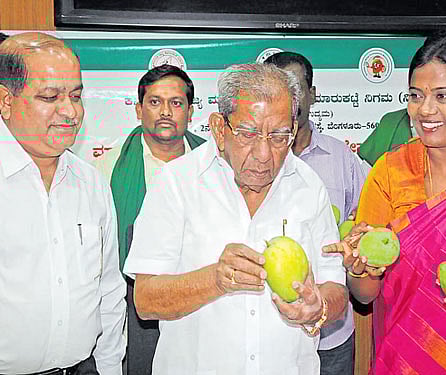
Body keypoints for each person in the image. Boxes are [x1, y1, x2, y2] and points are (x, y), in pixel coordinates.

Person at [123, 63, 349, 374]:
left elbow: (336, 287)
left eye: (279, 136)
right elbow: (145, 301)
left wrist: (318, 307)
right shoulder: (176, 183)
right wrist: (214, 279)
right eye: (248, 133)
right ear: (219, 129)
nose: (263, 153)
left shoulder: (308, 187)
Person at [324, 29, 446, 374]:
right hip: (407, 359)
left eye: (443, 95)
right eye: (416, 95)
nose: (425, 110)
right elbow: (364, 294)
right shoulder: (390, 173)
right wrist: (358, 268)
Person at [0, 32, 126, 374]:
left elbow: (109, 290)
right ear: (5, 101)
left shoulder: (92, 183)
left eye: (76, 95)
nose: (69, 111)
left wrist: (111, 368)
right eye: (50, 96)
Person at [94, 64, 205, 374]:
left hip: (204, 298)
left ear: (190, 111)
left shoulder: (216, 164)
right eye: (155, 102)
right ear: (138, 110)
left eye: (176, 102)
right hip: (133, 306)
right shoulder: (107, 168)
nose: (166, 111)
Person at [264, 51, 367, 375]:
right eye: (276, 88)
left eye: (295, 88)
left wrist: (357, 239)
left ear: (313, 94)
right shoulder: (250, 162)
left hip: (332, 335)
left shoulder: (341, 158)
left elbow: (369, 222)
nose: (287, 98)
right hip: (269, 334)